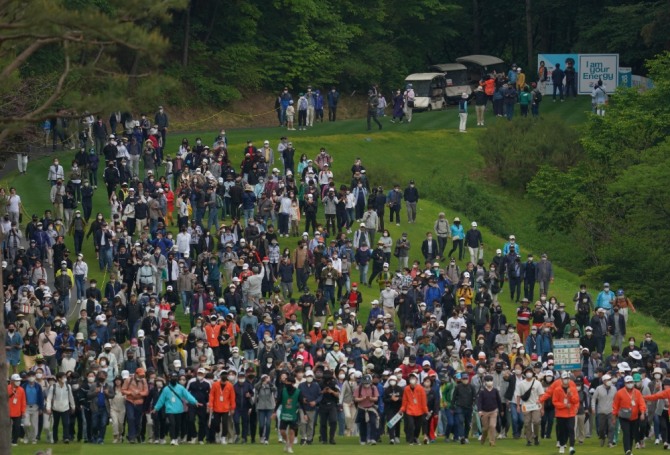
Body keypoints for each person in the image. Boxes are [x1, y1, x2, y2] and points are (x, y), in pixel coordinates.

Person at [152, 371, 200, 445]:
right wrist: (156, 408)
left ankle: (176, 437)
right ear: (169, 378)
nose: (174, 379)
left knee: (177, 425)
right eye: (172, 377)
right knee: (172, 424)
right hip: (169, 410)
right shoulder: (166, 389)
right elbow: (161, 400)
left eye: (175, 377)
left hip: (179, 410)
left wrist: (195, 401)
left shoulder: (181, 388)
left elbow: (188, 395)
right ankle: (173, 439)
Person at [614, 375, 647, 455]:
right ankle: (627, 450)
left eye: (631, 382)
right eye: (628, 382)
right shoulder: (619, 393)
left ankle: (630, 450)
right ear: (625, 383)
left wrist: (642, 413)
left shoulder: (637, 392)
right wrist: (614, 416)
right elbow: (615, 405)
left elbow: (642, 404)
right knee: (626, 433)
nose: (630, 384)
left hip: (634, 417)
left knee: (632, 434)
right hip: (623, 417)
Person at [274, 374, 304, 454]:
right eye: (286, 381)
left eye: (288, 382)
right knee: (282, 431)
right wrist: (274, 412)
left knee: (292, 431)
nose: (286, 383)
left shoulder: (298, 392)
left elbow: (302, 403)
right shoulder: (282, 391)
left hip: (293, 414)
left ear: (292, 383)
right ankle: (287, 441)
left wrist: (304, 414)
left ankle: (290, 447)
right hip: (284, 414)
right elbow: (278, 402)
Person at [516, 366, 543, 446]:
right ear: (525, 373)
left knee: (536, 421)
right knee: (527, 423)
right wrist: (518, 405)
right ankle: (529, 439)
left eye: (530, 372)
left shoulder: (537, 383)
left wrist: (542, 408)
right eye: (527, 372)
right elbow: (518, 395)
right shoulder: (521, 384)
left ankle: (536, 436)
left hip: (536, 405)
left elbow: (541, 395)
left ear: (533, 373)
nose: (529, 373)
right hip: (526, 406)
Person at [400, 372, 428, 445]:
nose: (412, 379)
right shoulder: (406, 389)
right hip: (410, 410)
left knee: (418, 427)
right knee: (411, 425)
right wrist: (402, 409)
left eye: (413, 378)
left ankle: (416, 437)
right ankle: (411, 439)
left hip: (419, 411)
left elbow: (423, 401)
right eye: (411, 378)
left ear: (416, 379)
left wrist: (426, 411)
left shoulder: (421, 389)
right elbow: (405, 400)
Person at [477, 374, 502, 446]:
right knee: (485, 428)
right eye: (488, 380)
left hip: (493, 411)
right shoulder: (482, 391)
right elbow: (479, 402)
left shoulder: (495, 390)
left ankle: (492, 442)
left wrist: (501, 410)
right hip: (484, 412)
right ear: (485, 382)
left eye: (491, 380)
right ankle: (483, 439)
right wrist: (479, 410)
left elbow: (498, 401)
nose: (489, 382)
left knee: (492, 426)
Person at [8, 373, 26, 447]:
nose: (18, 382)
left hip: (17, 412)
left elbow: (23, 401)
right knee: (6, 427)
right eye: (16, 380)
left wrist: (23, 411)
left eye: (19, 380)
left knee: (17, 427)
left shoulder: (21, 390)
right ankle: (6, 439)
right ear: (12, 381)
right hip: (7, 412)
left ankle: (14, 441)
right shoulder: (7, 388)